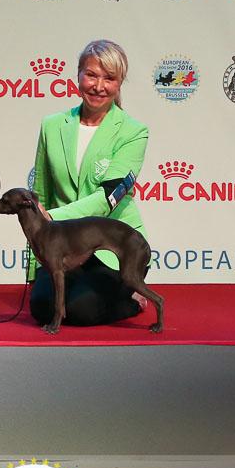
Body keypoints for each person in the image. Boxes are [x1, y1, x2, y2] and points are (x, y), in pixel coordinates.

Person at [29, 40, 150, 326]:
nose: (98, 86)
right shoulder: (52, 125)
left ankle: (132, 299)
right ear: (79, 75)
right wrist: (36, 265)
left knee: (81, 310)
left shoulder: (134, 132)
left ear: (119, 84)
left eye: (109, 78)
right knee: (42, 308)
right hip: (63, 244)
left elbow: (107, 198)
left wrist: (50, 217)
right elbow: (41, 192)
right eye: (91, 75)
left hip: (114, 247)